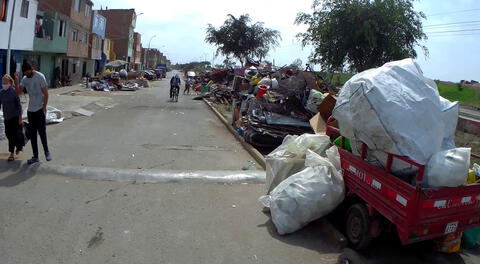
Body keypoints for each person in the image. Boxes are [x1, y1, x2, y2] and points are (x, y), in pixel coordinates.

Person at [14, 61, 51, 164]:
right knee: (33, 134)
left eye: (27, 72)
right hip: (31, 111)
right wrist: (16, 80)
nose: (26, 74)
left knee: (42, 132)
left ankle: (47, 152)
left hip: (40, 109)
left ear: (31, 69)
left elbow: (46, 94)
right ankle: (35, 156)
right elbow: (18, 93)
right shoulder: (25, 79)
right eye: (24, 73)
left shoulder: (40, 76)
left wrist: (44, 107)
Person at [0, 74, 24, 161]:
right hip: (7, 117)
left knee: (13, 135)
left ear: (10, 82)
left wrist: (20, 118)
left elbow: (19, 106)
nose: (4, 84)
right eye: (3, 82)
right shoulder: (1, 93)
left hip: (15, 116)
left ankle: (11, 154)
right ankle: (18, 146)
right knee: (8, 134)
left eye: (6, 82)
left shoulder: (14, 92)